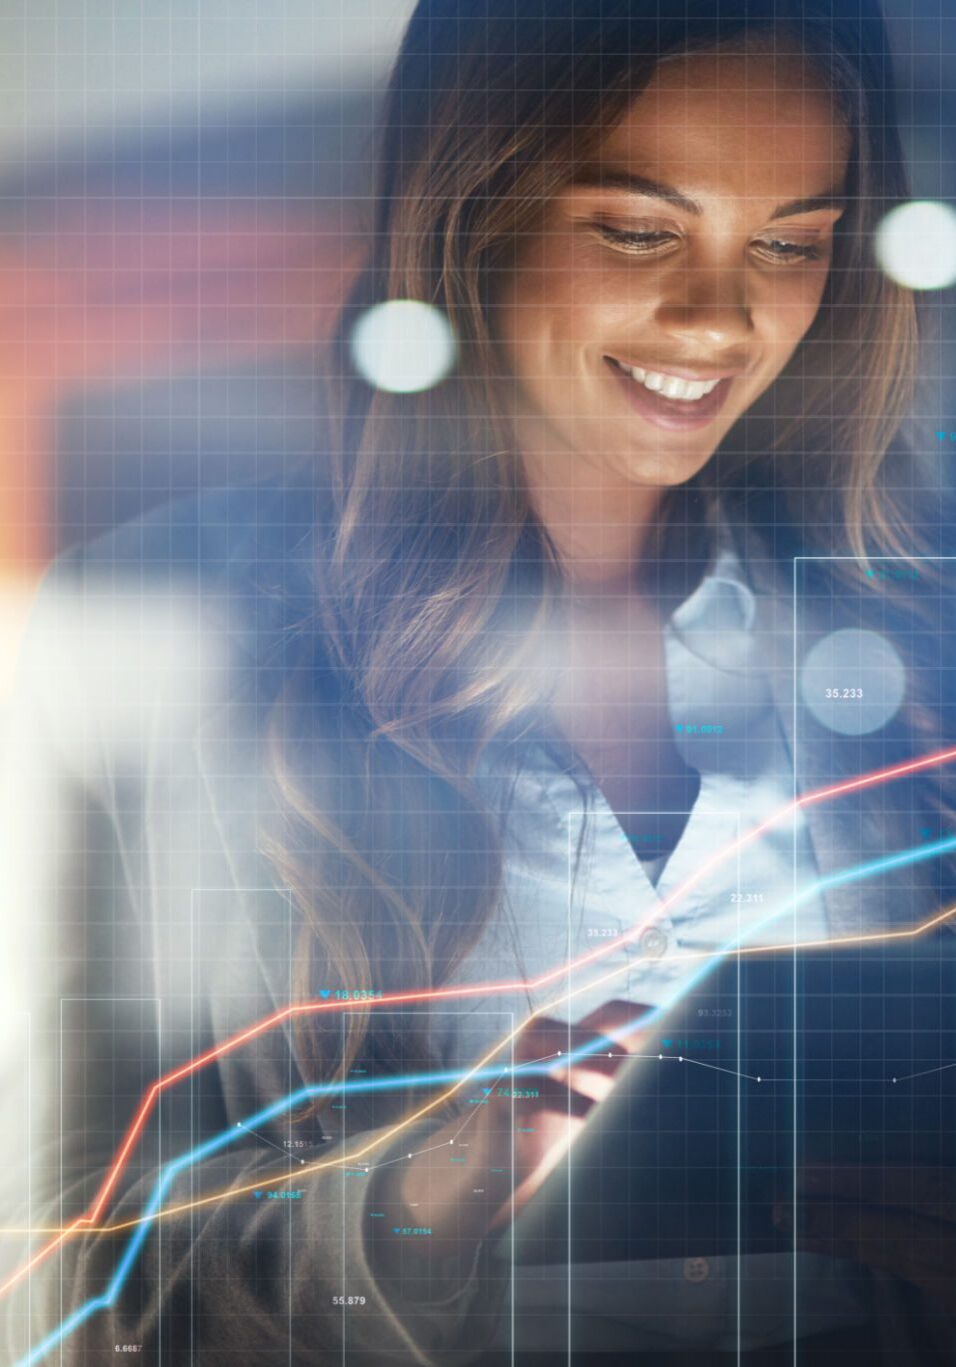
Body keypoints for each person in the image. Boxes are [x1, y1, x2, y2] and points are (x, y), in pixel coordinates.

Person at [3, 1, 956, 1363]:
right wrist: (430, 1198)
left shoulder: (910, 663)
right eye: (637, 229)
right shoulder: (156, 640)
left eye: (791, 245)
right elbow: (54, 1272)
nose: (721, 319)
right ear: (474, 209)